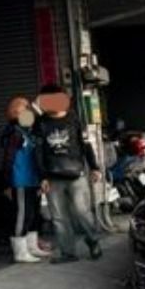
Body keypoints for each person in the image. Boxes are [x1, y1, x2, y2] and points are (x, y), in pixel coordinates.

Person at [33, 84, 103, 263]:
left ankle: (93, 242)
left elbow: (86, 144)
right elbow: (38, 152)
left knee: (82, 212)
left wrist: (94, 167)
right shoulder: (40, 122)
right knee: (59, 218)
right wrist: (42, 177)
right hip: (52, 177)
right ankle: (68, 253)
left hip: (76, 175)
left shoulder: (75, 118)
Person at [1, 97, 51, 263]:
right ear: (16, 113)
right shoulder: (14, 133)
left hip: (33, 180)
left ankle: (32, 246)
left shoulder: (28, 131)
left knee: (33, 215)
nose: (29, 112)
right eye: (25, 109)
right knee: (21, 216)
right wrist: (7, 182)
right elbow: (8, 158)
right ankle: (20, 252)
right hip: (20, 180)